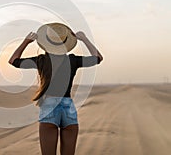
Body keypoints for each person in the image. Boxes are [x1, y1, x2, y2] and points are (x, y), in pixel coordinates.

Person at [8, 22, 103, 155]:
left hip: (49, 107)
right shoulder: (72, 60)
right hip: (68, 107)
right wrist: (84, 38)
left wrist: (26, 42)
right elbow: (98, 58)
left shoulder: (41, 60)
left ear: (46, 43)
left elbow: (13, 60)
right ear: (65, 44)